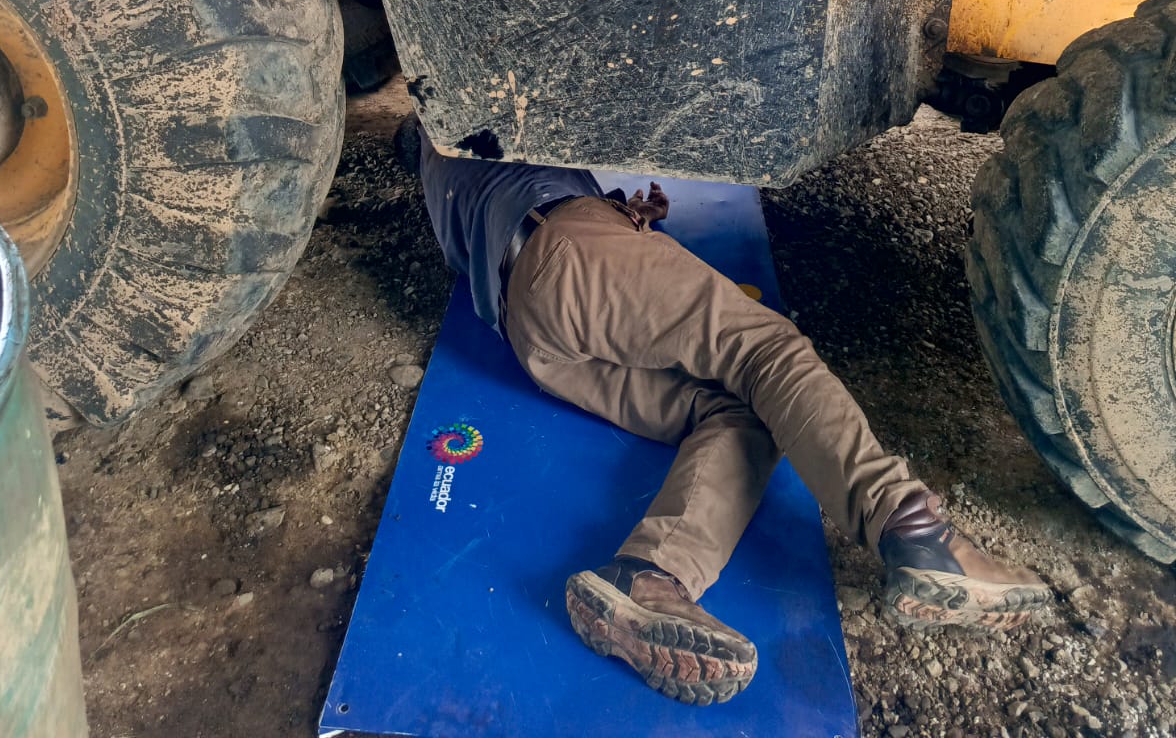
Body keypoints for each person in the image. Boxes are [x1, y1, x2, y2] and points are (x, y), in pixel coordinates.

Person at [412, 130, 1051, 707]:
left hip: (532, 336)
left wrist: (622, 214)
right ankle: (913, 528)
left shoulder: (437, 152)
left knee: (740, 412)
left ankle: (649, 578)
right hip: (565, 251)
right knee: (764, 351)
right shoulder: (482, 113)